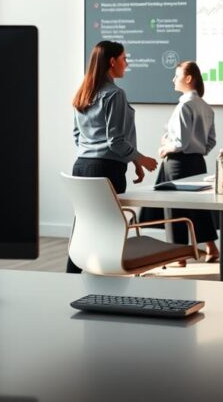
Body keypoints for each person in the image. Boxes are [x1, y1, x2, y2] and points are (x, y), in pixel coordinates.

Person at [68, 40, 158, 274]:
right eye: (124, 58)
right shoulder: (115, 94)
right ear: (112, 62)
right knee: (111, 230)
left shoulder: (83, 92)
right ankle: (111, 285)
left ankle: (71, 281)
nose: (126, 63)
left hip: (81, 167)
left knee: (84, 227)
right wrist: (141, 159)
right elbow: (115, 141)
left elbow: (77, 136)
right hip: (106, 171)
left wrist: (130, 160)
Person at [139, 61, 220, 263]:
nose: (173, 79)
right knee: (198, 208)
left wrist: (164, 147)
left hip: (178, 163)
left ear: (188, 78)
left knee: (175, 209)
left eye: (177, 75)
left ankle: (179, 255)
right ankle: (211, 248)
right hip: (197, 162)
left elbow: (180, 142)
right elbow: (210, 141)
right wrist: (198, 149)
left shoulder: (185, 105)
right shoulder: (206, 107)